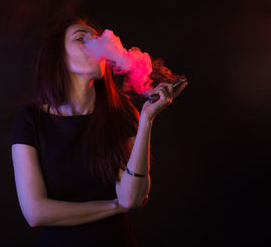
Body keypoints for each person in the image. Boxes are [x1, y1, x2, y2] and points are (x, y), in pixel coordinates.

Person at [10, 16, 188, 247]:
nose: (97, 45)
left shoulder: (121, 113)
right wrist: (114, 206)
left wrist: (146, 120)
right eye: (81, 39)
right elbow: (35, 212)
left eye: (97, 39)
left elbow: (131, 198)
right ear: (59, 57)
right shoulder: (30, 121)